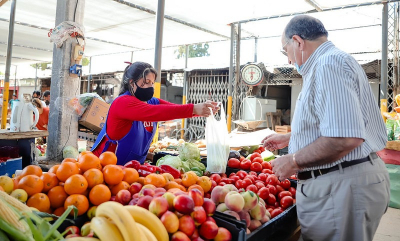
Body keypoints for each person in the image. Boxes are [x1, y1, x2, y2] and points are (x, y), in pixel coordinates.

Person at [262, 15, 390, 241]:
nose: (289, 60)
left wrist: (291, 161)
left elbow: (345, 138)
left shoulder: (328, 64)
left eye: (286, 51)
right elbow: (337, 124)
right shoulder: (330, 63)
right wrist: (293, 137)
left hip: (341, 186)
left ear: (298, 42)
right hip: (343, 182)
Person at [91, 61, 218, 165]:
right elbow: (155, 112)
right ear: (131, 83)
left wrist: (202, 110)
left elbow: (174, 109)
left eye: (152, 83)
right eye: (146, 82)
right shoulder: (122, 103)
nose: (150, 87)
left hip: (131, 172)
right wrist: (194, 109)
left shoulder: (151, 101)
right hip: (104, 169)